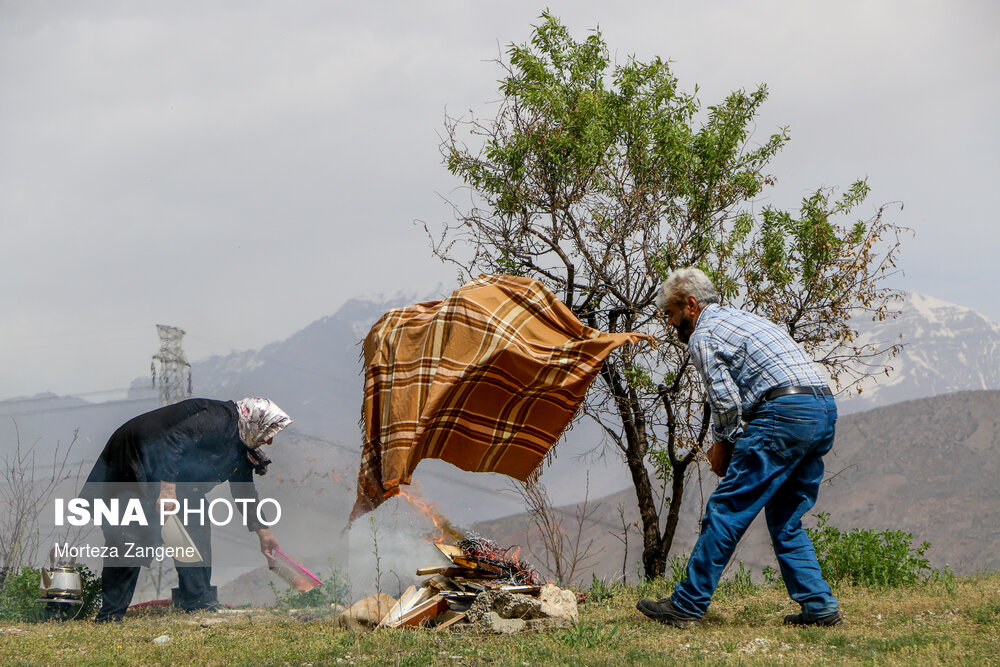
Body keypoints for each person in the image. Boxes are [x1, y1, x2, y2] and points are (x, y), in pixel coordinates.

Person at [636, 267, 842, 628]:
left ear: (691, 305)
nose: (669, 324)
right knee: (786, 518)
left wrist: (723, 445)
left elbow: (725, 400)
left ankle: (686, 605)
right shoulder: (746, 320)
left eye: (669, 314)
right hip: (821, 411)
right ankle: (820, 607)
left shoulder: (705, 334)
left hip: (783, 414)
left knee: (726, 509)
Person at [80, 397, 292, 622]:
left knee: (195, 519)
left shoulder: (238, 441)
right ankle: (110, 616)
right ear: (256, 421)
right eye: (269, 431)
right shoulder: (219, 419)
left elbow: (244, 490)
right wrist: (168, 490)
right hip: (134, 457)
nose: (268, 441)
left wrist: (263, 532)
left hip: (169, 474)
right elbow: (173, 440)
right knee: (131, 532)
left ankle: (198, 602)